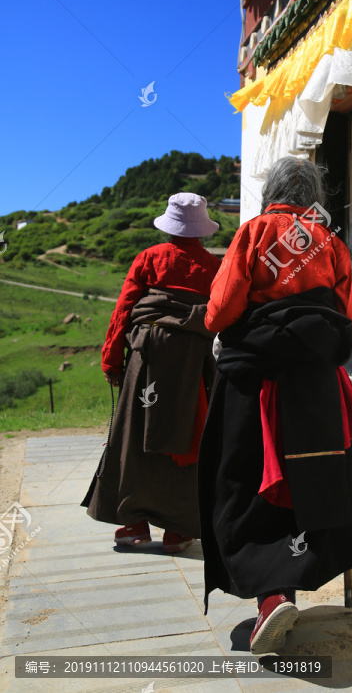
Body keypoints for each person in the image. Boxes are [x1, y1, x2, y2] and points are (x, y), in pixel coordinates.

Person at [199, 157, 352, 654]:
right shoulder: (331, 244)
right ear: (312, 192)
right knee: (308, 484)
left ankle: (270, 596)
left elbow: (219, 311)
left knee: (246, 485)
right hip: (315, 390)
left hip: (256, 383)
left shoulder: (253, 234)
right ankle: (284, 590)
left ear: (271, 190)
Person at [82, 192, 221, 553]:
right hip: (194, 363)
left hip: (148, 357)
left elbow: (124, 309)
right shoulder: (215, 266)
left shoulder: (149, 258)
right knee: (187, 437)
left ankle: (134, 524)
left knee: (133, 438)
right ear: (202, 230)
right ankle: (179, 530)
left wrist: (112, 358)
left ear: (169, 226)